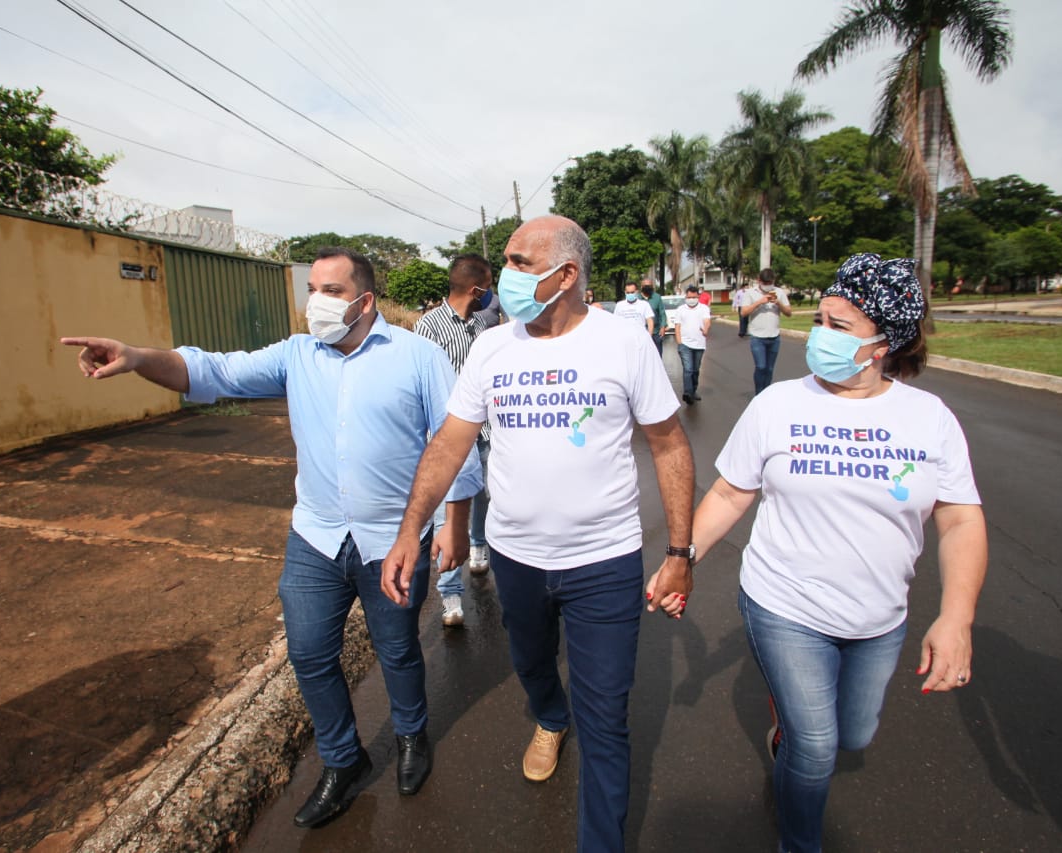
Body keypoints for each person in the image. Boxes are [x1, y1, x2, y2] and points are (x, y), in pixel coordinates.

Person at [60, 247, 483, 829]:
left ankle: (411, 736)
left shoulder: (418, 357)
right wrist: (136, 358)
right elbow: (209, 371)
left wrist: (453, 526)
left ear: (364, 299)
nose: (316, 301)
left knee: (398, 649)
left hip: (393, 538)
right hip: (316, 536)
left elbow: (452, 443)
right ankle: (342, 760)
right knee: (309, 654)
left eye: (331, 290)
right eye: (312, 287)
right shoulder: (296, 355)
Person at [381, 215, 695, 853]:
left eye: (522, 262)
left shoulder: (622, 343)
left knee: (606, 719)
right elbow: (449, 442)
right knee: (530, 664)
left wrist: (680, 552)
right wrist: (411, 527)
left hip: (604, 563)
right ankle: (550, 718)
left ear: (567, 274)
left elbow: (668, 445)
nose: (506, 276)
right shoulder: (493, 347)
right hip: (516, 558)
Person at [668, 253, 988, 853]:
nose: (820, 335)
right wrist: (681, 556)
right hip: (784, 603)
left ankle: (791, 736)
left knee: (854, 736)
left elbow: (962, 519)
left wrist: (956, 617)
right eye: (821, 319)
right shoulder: (779, 405)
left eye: (840, 328)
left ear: (883, 344)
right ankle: (799, 839)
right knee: (814, 748)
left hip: (879, 618)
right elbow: (732, 493)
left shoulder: (929, 419)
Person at [413, 254, 496, 627]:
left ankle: (479, 546)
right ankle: (450, 594)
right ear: (476, 289)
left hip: (487, 431)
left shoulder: (482, 325)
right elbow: (416, 381)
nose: (490, 294)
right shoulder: (428, 327)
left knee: (484, 495)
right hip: (448, 439)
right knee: (447, 514)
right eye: (488, 288)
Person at [740, 268, 792, 394]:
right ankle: (758, 393)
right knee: (761, 366)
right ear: (759, 281)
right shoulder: (750, 293)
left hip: (774, 337)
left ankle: (766, 393)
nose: (768, 286)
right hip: (758, 337)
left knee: (769, 369)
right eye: (765, 283)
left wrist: (779, 303)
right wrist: (759, 302)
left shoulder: (779, 292)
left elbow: (789, 313)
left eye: (770, 283)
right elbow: (744, 312)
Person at [672, 285, 712, 404]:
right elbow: (677, 327)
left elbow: (707, 321)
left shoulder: (704, 308)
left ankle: (693, 390)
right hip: (685, 344)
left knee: (695, 369)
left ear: (698, 297)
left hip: (699, 344)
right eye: (689, 297)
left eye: (694, 297)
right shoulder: (680, 309)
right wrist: (679, 343)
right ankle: (687, 392)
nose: (691, 299)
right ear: (686, 297)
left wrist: (706, 329)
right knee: (688, 369)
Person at [641, 278, 667, 354]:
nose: (647, 287)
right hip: (642, 331)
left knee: (657, 355)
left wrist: (663, 327)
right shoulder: (637, 298)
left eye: (649, 286)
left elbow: (662, 313)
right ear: (641, 286)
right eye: (645, 286)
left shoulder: (657, 297)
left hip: (656, 332)